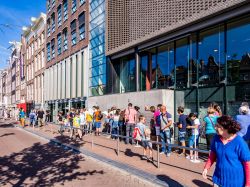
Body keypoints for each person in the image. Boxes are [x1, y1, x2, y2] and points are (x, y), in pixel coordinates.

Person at [202, 115, 250, 187]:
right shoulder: (216, 138)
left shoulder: (240, 143)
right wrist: (206, 168)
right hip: (218, 179)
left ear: (225, 128)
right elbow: (212, 155)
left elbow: (247, 164)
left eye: (217, 126)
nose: (215, 128)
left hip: (235, 182)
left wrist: (248, 184)